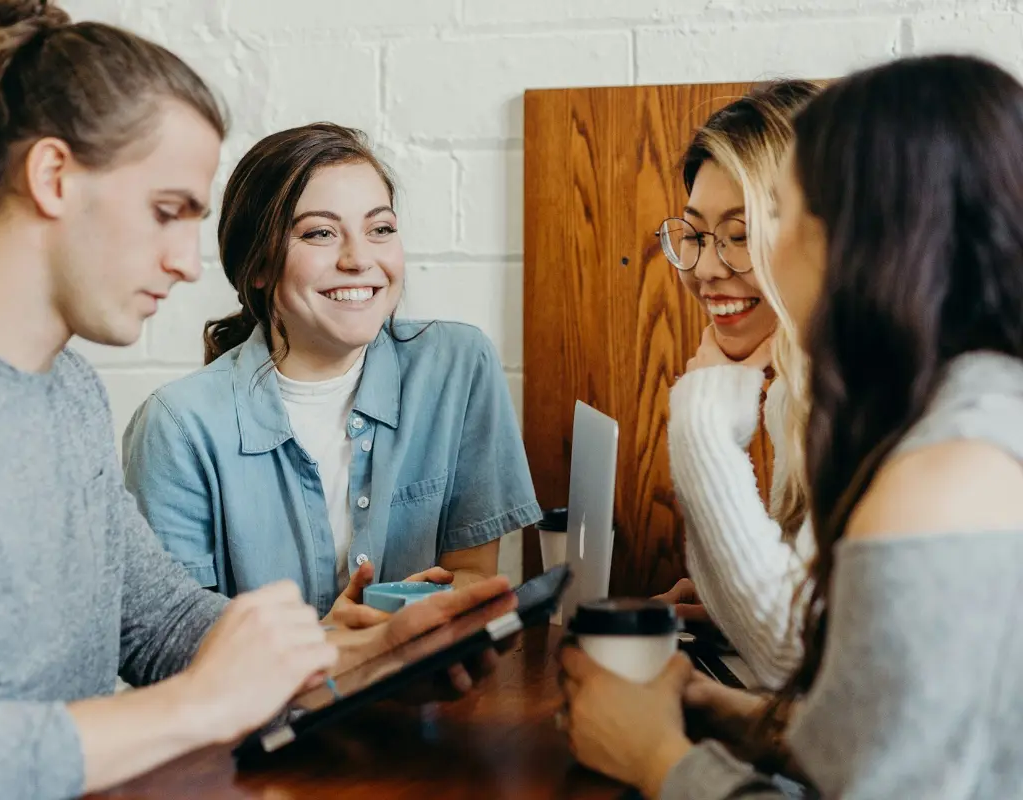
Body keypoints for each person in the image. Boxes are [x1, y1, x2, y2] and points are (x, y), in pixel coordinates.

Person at [0, 3, 513, 798]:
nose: (190, 264)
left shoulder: (66, 388)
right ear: (53, 178)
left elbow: (155, 622)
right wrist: (197, 706)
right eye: (166, 212)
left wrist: (356, 662)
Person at [561, 53, 1023, 799]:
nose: (724, 263)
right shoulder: (967, 410)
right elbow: (885, 738)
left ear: (867, 237)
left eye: (788, 213)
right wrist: (736, 718)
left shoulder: (943, 475)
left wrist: (656, 760)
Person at [122, 122, 541, 628]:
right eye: (320, 233)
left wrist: (400, 620)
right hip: (268, 707)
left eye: (380, 229)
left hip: (424, 696)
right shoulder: (177, 427)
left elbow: (472, 574)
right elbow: (176, 642)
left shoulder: (457, 366)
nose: (359, 259)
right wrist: (332, 644)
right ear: (257, 265)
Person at [652, 80, 821, 688]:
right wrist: (729, 601)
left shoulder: (868, 398)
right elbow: (815, 635)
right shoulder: (795, 392)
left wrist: (701, 423)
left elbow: (792, 658)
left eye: (741, 234)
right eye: (694, 235)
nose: (705, 269)